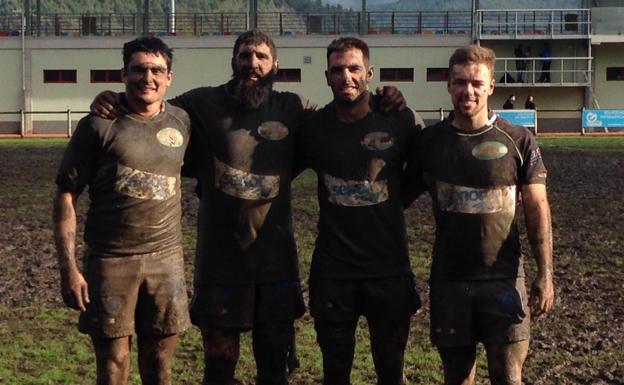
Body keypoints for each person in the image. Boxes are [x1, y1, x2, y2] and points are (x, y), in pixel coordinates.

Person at [90, 29, 405, 385]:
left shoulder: (294, 109)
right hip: (221, 264)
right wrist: (113, 98)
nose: (252, 64)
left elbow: (345, 118)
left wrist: (386, 98)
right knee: (220, 364)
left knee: (273, 367)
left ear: (275, 66)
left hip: (276, 266)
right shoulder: (202, 104)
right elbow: (152, 110)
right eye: (245, 56)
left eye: (261, 57)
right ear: (233, 62)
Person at [404, 45, 555, 385]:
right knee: (457, 378)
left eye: (476, 82)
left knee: (508, 377)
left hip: (504, 280)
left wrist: (545, 273)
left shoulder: (518, 140)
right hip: (450, 282)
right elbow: (395, 201)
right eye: (460, 82)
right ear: (448, 84)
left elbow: (537, 209)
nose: (467, 90)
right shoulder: (429, 143)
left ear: (491, 86)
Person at [53, 37, 191, 385]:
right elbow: (66, 196)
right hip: (110, 261)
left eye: (157, 70)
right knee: (114, 364)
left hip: (166, 260)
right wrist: (69, 269)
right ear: (123, 74)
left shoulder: (183, 121)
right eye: (139, 69)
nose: (148, 77)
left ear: (169, 77)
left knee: (161, 363)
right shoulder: (98, 125)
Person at [296, 37, 424, 385]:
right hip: (333, 273)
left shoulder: (400, 120)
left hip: (389, 269)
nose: (346, 76)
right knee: (335, 372)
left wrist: (395, 201)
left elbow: (427, 168)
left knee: (390, 369)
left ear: (369, 73)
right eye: (337, 70)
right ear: (326, 77)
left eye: (354, 68)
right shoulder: (313, 128)